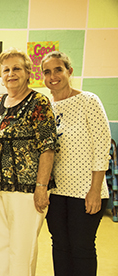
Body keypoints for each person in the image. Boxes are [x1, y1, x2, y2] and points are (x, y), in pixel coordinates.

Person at [0, 47, 58, 276]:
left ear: (28, 72)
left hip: (27, 190)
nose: (11, 73)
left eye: (17, 68)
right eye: (6, 69)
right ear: (0, 75)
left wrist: (41, 187)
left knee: (22, 249)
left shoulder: (39, 102)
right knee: (0, 245)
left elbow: (48, 147)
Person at [41, 51, 111, 276]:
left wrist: (94, 190)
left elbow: (102, 148)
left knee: (82, 247)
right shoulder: (46, 108)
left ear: (69, 71)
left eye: (58, 69)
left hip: (86, 191)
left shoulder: (88, 101)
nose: (53, 76)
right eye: (47, 72)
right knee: (60, 245)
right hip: (57, 191)